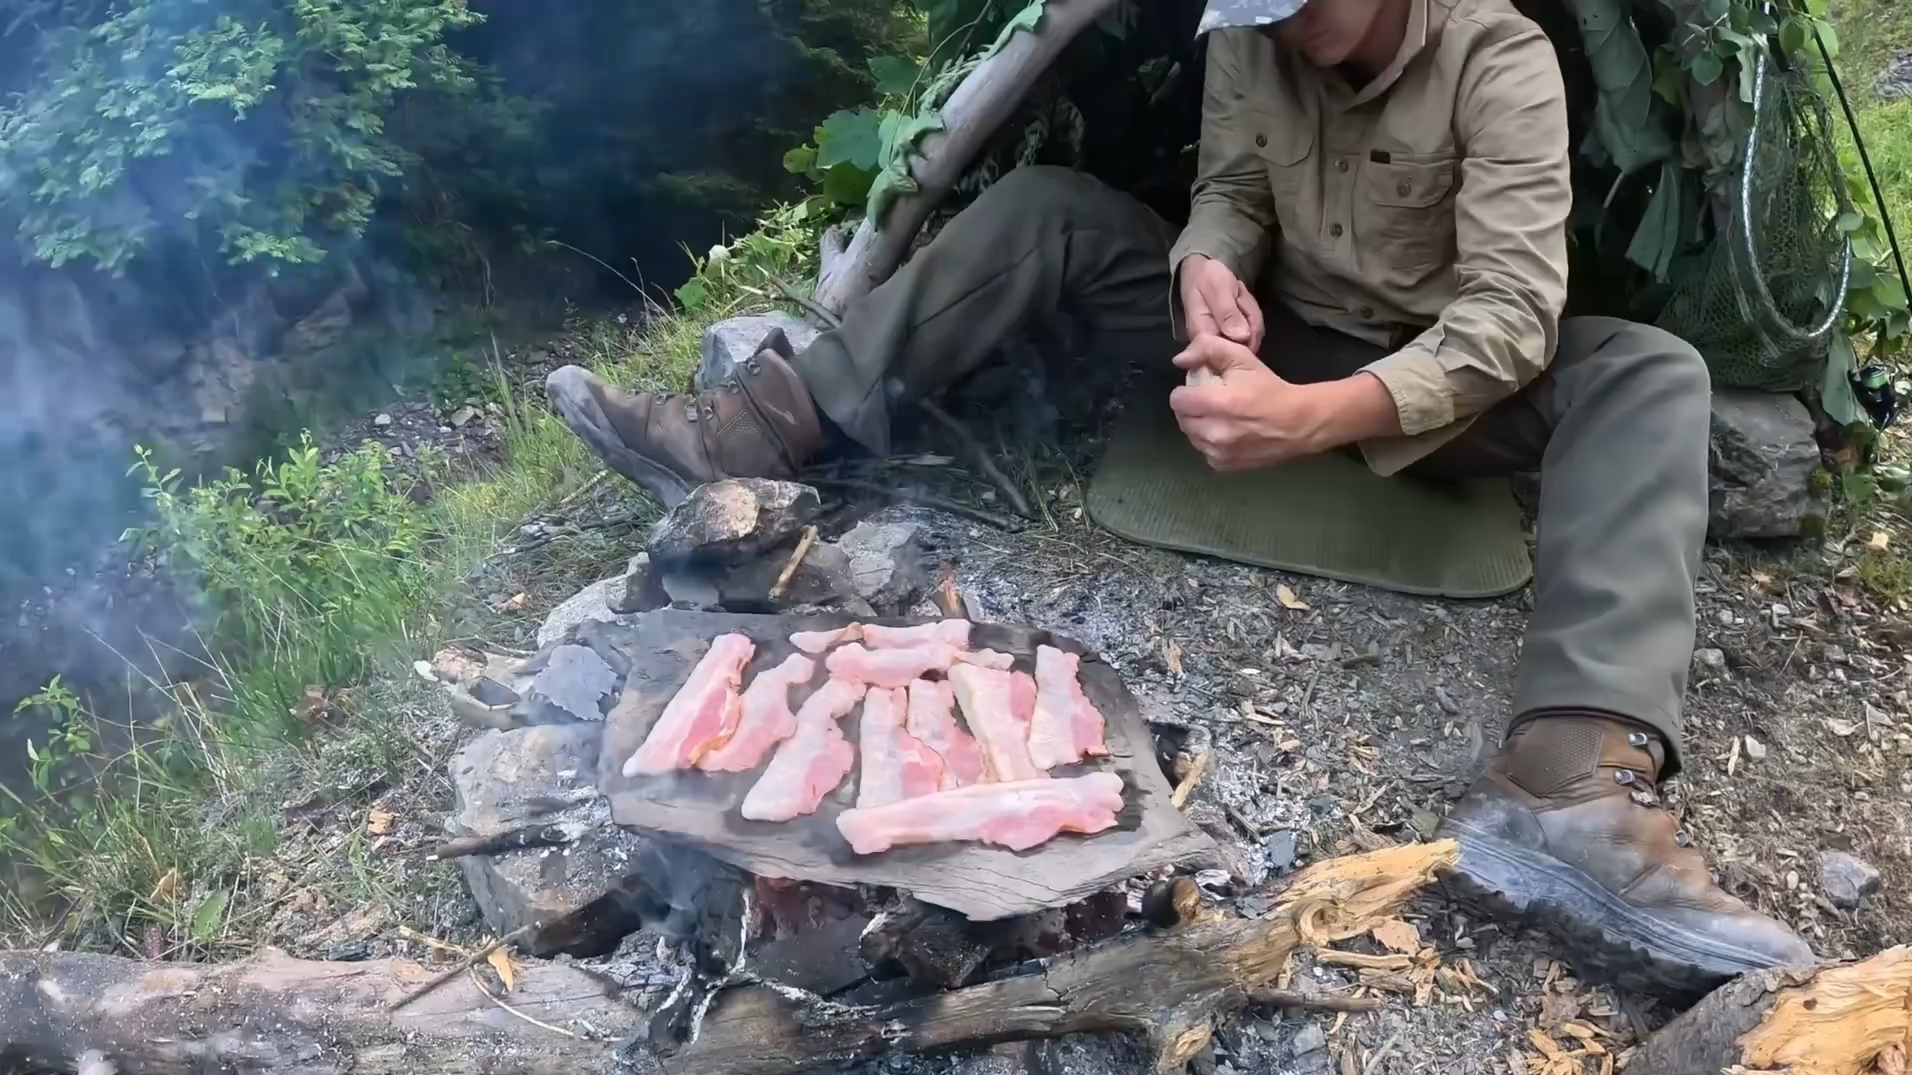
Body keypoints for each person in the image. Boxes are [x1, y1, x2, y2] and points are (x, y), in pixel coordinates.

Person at [546, 0, 1815, 991]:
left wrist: (1313, 417)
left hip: (1435, 393)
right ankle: (750, 432)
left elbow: (1508, 319)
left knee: (1649, 371)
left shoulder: (1501, 57)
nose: (1275, 24)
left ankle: (1567, 779)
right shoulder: (1251, 38)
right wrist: (1209, 270)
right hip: (1271, 347)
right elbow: (1229, 191)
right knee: (1045, 210)